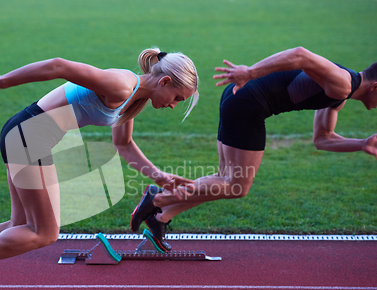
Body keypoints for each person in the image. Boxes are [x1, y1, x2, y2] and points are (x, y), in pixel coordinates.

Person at [0, 48, 199, 290]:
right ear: (164, 81)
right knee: (44, 232)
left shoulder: (134, 97)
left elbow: (124, 144)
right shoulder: (121, 84)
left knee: (19, 225)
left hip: (25, 134)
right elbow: (59, 66)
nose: (174, 105)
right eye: (177, 98)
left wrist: (160, 177)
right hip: (29, 136)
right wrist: (2, 82)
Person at [131, 46, 377, 252]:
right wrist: (250, 72)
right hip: (249, 103)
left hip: (241, 98)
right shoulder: (343, 83)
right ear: (375, 86)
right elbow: (301, 55)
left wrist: (362, 143)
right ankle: (158, 199)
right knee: (236, 185)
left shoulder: (341, 94)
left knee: (225, 182)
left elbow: (322, 139)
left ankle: (160, 216)